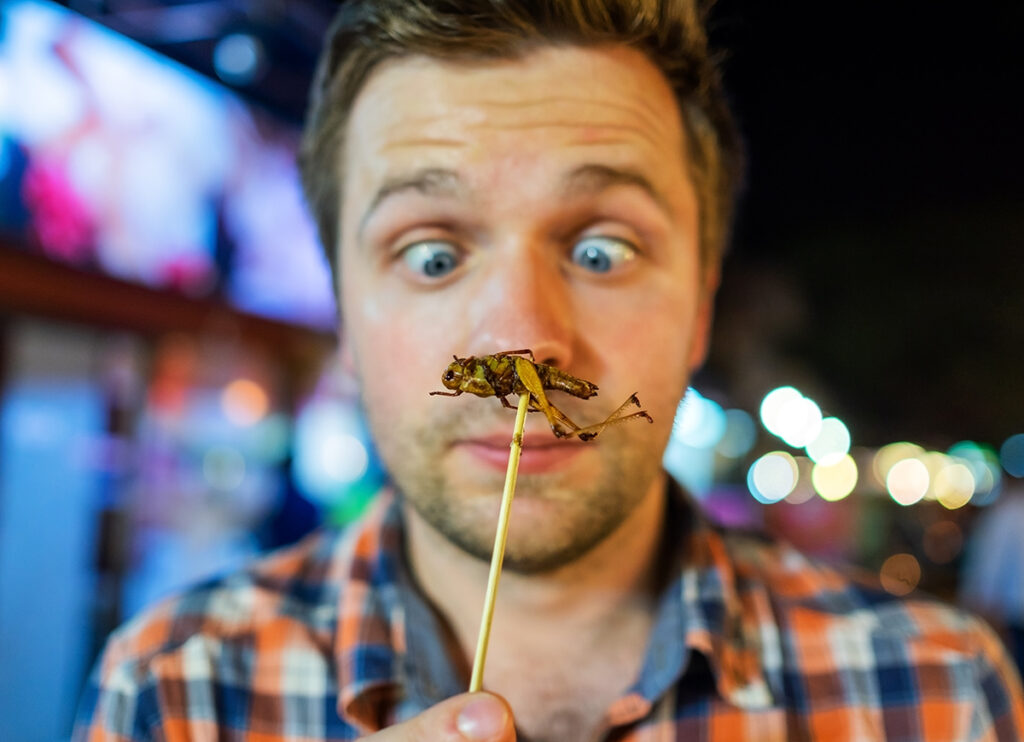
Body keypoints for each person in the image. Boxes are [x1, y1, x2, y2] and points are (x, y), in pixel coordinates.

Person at [74, 2, 1024, 740]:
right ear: (347, 322)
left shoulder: (933, 688)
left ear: (699, 311)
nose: (523, 342)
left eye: (603, 251)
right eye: (433, 255)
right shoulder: (177, 687)